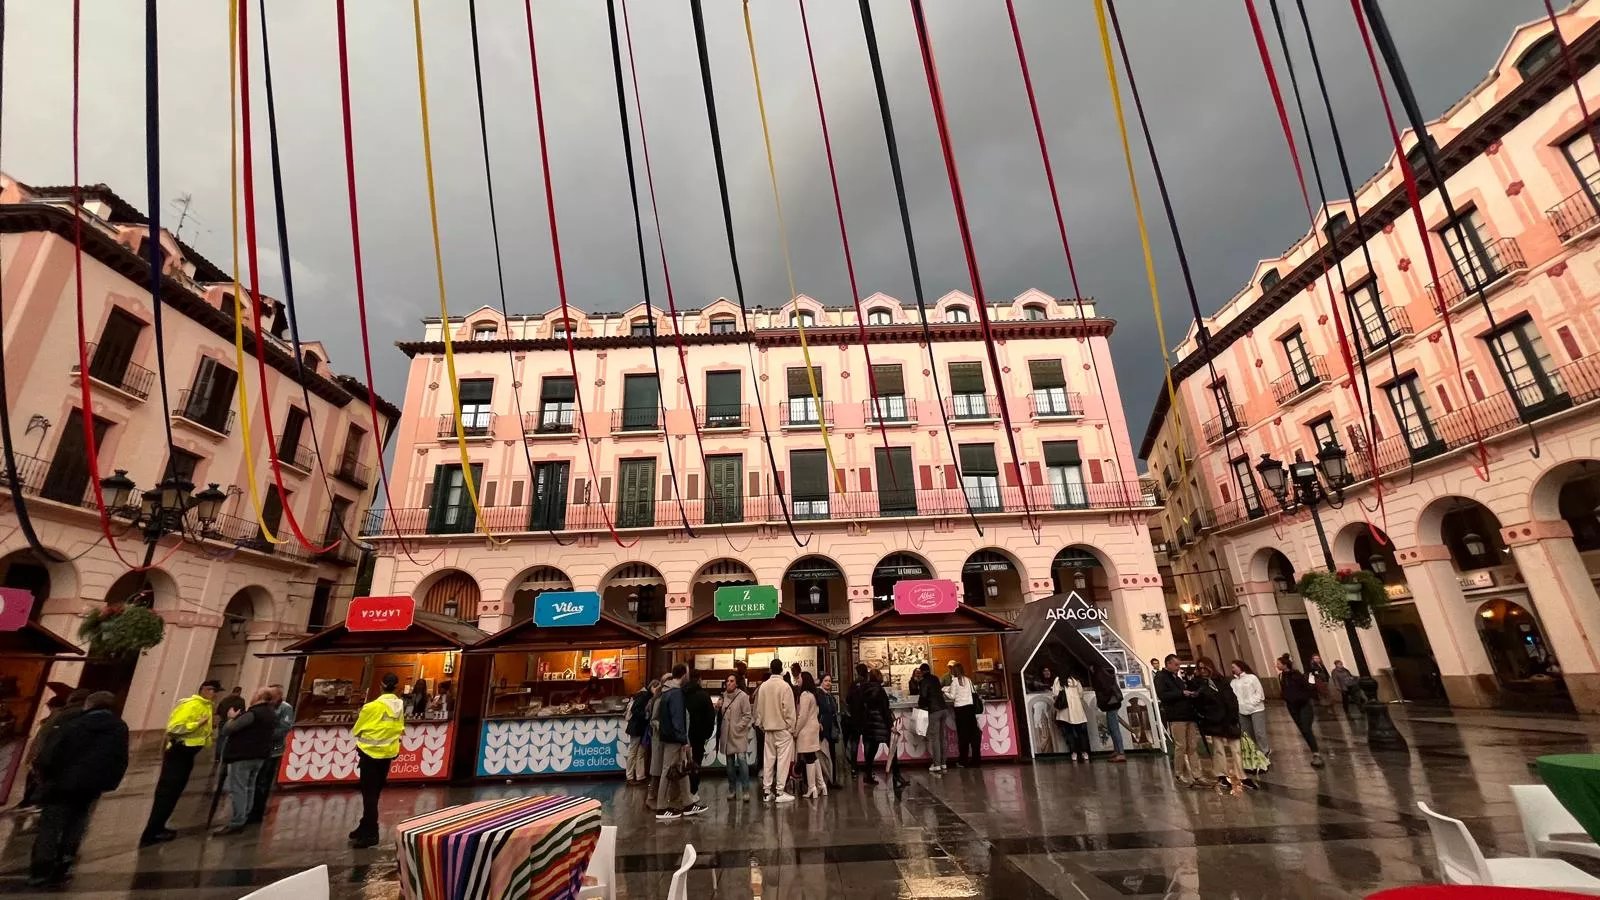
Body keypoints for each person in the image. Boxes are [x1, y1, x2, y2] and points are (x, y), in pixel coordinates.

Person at [27, 691, 127, 888]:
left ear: (88, 705)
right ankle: (65, 858)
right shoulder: (118, 727)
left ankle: (41, 868)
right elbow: (120, 759)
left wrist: (43, 775)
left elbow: (49, 753)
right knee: (78, 821)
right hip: (91, 784)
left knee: (51, 824)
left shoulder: (72, 724)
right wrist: (109, 781)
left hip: (61, 782)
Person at [140, 679, 221, 846]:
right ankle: (151, 832)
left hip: (188, 754)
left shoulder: (206, 706)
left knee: (174, 792)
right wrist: (197, 724)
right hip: (178, 751)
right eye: (213, 691)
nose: (215, 695)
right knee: (167, 793)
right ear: (204, 690)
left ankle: (160, 827)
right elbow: (174, 728)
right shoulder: (191, 704)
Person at [349, 673, 405, 848]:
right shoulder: (399, 705)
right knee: (375, 792)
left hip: (370, 754)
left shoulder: (371, 707)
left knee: (369, 794)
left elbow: (357, 730)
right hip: (388, 753)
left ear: (381, 686)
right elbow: (399, 727)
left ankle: (371, 832)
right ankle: (364, 825)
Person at [215, 688, 278, 835]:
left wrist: (231, 718)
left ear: (259, 697)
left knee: (238, 787)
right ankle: (245, 815)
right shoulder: (271, 713)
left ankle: (237, 820)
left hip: (243, 754)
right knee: (250, 786)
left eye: (255, 693)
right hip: (260, 755)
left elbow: (228, 729)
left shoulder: (253, 713)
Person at [21, 689, 89, 814]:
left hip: (54, 757)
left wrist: (37, 757)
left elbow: (47, 738)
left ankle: (35, 802)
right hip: (68, 760)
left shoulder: (63, 715)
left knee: (42, 779)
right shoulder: (81, 714)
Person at [1191, 659, 1245, 796]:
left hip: (1229, 718)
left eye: (1205, 668)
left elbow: (1232, 698)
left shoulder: (1221, 680)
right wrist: (1205, 716)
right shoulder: (1199, 684)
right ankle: (1221, 774)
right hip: (1213, 720)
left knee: (1236, 749)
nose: (1202, 671)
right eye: (1200, 668)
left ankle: (1240, 774)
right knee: (1218, 749)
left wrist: (1233, 715)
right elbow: (1199, 703)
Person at [247, 684, 294, 825]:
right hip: (260, 749)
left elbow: (284, 727)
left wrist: (265, 736)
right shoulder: (265, 707)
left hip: (273, 749)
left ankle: (257, 810)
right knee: (255, 779)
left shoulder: (285, 708)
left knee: (264, 780)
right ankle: (252, 807)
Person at [654, 664, 696, 820]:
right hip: (674, 738)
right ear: (684, 674)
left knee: (682, 768)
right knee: (667, 770)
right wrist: (683, 739)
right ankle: (661, 807)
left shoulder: (665, 692)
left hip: (668, 736)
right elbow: (677, 718)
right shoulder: (676, 693)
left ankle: (688, 802)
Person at [1155, 655, 1203, 786]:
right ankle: (1179, 773)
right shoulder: (1161, 677)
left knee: (1192, 745)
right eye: (1176, 665)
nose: (1178, 668)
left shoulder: (1178, 677)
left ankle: (1197, 774)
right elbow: (1162, 695)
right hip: (1176, 716)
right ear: (1168, 664)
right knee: (1180, 746)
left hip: (1188, 714)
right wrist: (1182, 693)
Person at [755, 658, 798, 802]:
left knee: (768, 760)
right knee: (783, 761)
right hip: (783, 729)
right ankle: (780, 791)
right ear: (781, 670)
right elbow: (789, 711)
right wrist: (791, 728)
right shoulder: (785, 687)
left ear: (770, 669)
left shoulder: (764, 687)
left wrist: (761, 725)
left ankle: (767, 791)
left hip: (768, 729)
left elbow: (759, 709)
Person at [1278, 654, 1324, 767]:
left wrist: (1307, 697)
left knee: (1306, 728)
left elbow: (1306, 686)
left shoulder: (1296, 674)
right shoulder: (1280, 676)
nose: (1277, 665)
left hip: (1304, 704)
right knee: (1303, 730)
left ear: (1285, 665)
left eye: (1278, 663)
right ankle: (1314, 752)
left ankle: (1316, 753)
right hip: (1292, 706)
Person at [682, 671, 714, 813]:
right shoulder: (704, 695)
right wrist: (707, 734)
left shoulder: (681, 694)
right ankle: (693, 793)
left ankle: (683, 794)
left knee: (683, 766)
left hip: (683, 737)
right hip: (699, 736)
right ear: (700, 680)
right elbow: (710, 716)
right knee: (696, 764)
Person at [719, 674, 753, 802]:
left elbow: (747, 715)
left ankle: (745, 790)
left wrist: (739, 727)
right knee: (729, 762)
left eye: (732, 681)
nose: (729, 683)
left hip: (738, 734)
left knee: (742, 759)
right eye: (727, 680)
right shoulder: (723, 696)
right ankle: (732, 789)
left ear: (736, 683)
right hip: (727, 734)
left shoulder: (742, 696)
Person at [1229, 660, 1269, 757]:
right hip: (1242, 710)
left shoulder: (1252, 678)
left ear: (1240, 667)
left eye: (1234, 667)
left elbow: (1259, 693)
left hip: (1256, 709)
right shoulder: (1233, 682)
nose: (1233, 669)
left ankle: (1264, 751)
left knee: (1259, 732)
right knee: (1247, 734)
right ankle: (1254, 752)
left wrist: (1253, 703)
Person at [795, 672, 826, 798]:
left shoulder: (804, 695)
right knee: (813, 756)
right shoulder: (813, 695)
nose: (798, 680)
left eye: (799, 677)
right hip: (814, 728)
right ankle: (821, 785)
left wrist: (796, 731)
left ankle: (811, 787)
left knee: (808, 758)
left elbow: (802, 716)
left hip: (806, 730)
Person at [917, 662, 951, 773]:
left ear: (922, 672)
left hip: (934, 710)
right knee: (942, 737)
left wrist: (921, 706)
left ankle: (936, 764)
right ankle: (944, 763)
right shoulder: (936, 678)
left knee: (934, 738)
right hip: (944, 709)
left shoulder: (924, 681)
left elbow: (923, 696)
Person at [946, 663, 981, 767]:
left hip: (960, 710)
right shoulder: (968, 680)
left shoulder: (955, 681)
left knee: (963, 736)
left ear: (954, 671)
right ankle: (976, 760)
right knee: (974, 735)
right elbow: (973, 692)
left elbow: (952, 697)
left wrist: (944, 693)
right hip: (970, 709)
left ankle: (963, 760)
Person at [860, 669, 891, 785]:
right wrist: (890, 724)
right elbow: (885, 709)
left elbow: (859, 705)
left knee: (870, 751)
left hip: (868, 723)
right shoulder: (880, 690)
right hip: (880, 724)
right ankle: (897, 776)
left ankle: (867, 774)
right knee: (893, 749)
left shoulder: (863, 689)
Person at [1091, 663, 1127, 762]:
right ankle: (1117, 750)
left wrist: (1102, 702)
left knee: (1114, 729)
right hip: (1113, 704)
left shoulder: (1100, 679)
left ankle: (1121, 753)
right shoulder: (1107, 677)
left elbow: (1105, 692)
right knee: (1112, 728)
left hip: (1111, 705)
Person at [1051, 669, 1089, 760]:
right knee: (1080, 732)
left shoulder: (1058, 680)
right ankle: (1084, 752)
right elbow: (1081, 694)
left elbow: (1055, 694)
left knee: (1069, 733)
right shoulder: (1075, 681)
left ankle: (1074, 753)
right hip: (1077, 711)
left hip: (1065, 711)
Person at [625, 679, 657, 785]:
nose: (657, 690)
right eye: (656, 688)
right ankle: (630, 776)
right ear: (652, 687)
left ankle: (639, 776)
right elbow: (635, 710)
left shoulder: (647, 696)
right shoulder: (644, 696)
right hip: (637, 727)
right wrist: (646, 715)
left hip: (641, 728)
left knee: (639, 753)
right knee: (634, 752)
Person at [844, 664, 868, 777]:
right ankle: (868, 767)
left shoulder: (853, 684)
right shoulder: (867, 684)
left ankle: (854, 767)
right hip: (866, 718)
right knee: (867, 743)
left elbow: (848, 699)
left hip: (854, 718)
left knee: (854, 742)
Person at [817, 673, 840, 786]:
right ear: (821, 682)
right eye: (826, 680)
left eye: (830, 681)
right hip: (823, 729)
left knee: (831, 754)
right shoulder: (820, 694)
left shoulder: (829, 695)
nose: (828, 683)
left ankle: (832, 779)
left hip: (830, 729)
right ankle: (828, 779)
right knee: (825, 754)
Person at [213, 686, 246, 759]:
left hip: (223, 721)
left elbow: (218, 711)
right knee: (228, 739)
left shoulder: (225, 699)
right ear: (239, 692)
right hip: (233, 722)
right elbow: (242, 712)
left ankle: (217, 756)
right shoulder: (240, 701)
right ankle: (224, 755)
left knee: (220, 738)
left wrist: (216, 721)